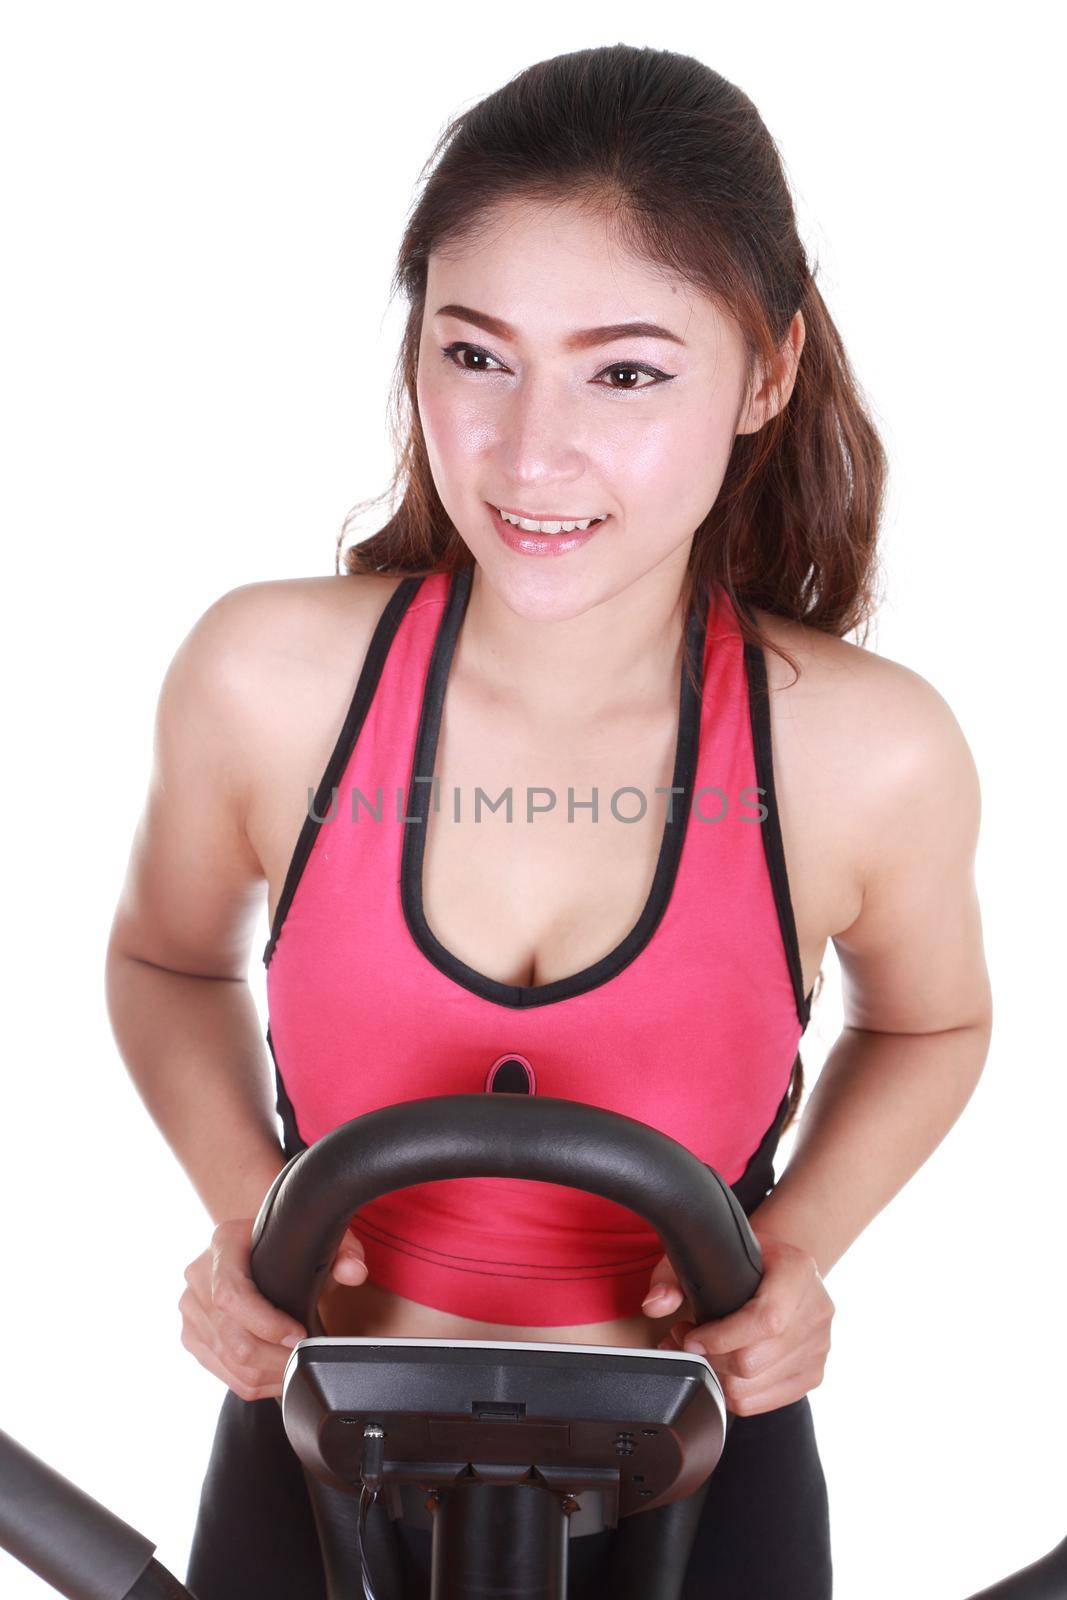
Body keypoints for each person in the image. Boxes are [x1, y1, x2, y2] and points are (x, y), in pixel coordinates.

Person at [104, 43, 992, 1600]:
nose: (529, 452)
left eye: (627, 371)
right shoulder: (266, 679)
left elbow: (932, 1027)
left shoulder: (868, 751)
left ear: (764, 377)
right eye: (477, 355)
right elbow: (168, 964)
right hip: (320, 1449)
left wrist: (795, 1255)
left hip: (703, 1468)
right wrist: (250, 1207)